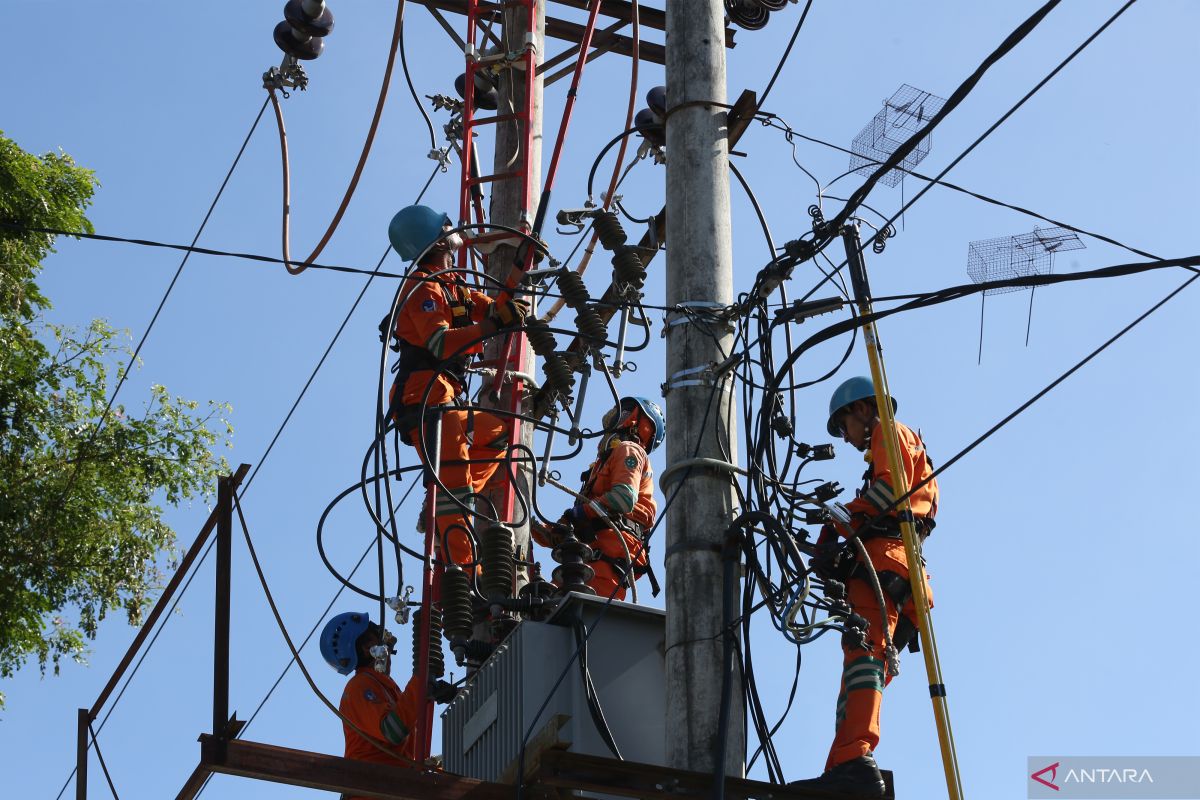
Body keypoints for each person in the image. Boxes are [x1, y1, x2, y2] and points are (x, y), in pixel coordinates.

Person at [793, 376, 938, 797]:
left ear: (861, 410)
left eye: (843, 426)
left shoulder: (888, 432)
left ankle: (855, 761)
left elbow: (888, 494)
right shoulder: (900, 444)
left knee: (863, 663)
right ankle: (842, 764)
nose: (845, 437)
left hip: (885, 563)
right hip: (901, 573)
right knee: (864, 670)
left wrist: (837, 515)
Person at [382, 205, 529, 569]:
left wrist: (518, 270)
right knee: (455, 481)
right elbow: (440, 344)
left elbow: (497, 308)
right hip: (425, 400)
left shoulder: (452, 285)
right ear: (433, 238)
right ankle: (463, 573)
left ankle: (442, 500)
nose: (453, 228)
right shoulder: (422, 286)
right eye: (445, 226)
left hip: (444, 397)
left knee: (500, 434)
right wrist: (492, 327)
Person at [530, 396, 663, 600]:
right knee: (545, 604)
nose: (614, 418)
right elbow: (583, 519)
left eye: (624, 412)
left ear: (638, 424)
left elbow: (623, 498)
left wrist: (579, 514)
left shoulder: (629, 450)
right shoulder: (601, 466)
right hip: (586, 560)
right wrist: (540, 530)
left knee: (567, 611)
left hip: (606, 563)